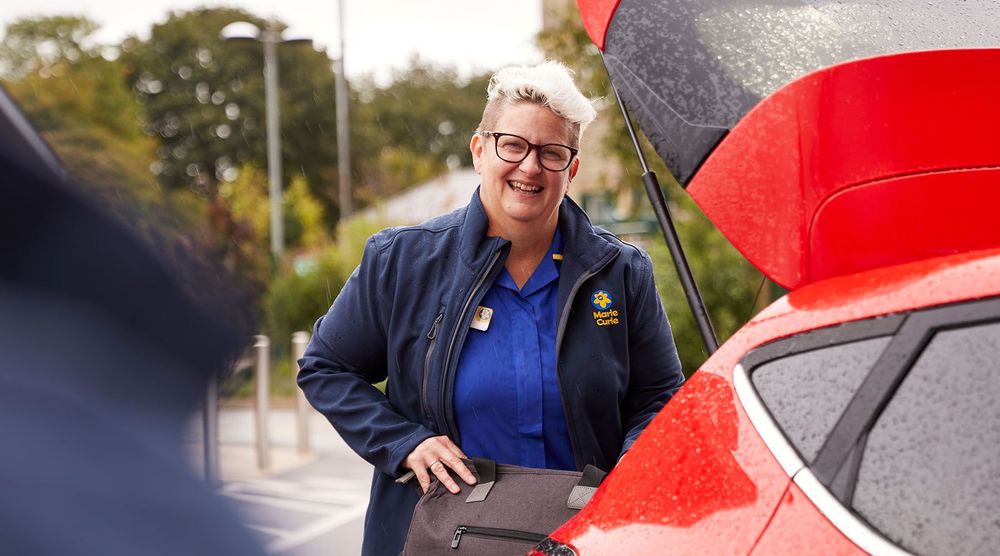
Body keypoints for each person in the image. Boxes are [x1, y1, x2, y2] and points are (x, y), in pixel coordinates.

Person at [298, 60, 684, 555]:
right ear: (480, 150)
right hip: (436, 540)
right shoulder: (402, 261)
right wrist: (404, 442)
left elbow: (659, 397)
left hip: (579, 541)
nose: (530, 167)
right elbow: (325, 368)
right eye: (513, 145)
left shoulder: (622, 273)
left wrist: (634, 471)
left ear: (573, 168)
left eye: (552, 152)